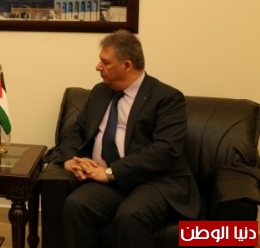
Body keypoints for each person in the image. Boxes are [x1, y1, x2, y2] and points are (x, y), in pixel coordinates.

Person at [47, 29, 200, 247]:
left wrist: (111, 172)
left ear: (127, 65)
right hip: (109, 182)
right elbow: (76, 131)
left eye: (105, 62)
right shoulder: (100, 92)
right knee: (76, 205)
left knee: (130, 216)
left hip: (153, 182)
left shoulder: (167, 98)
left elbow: (165, 150)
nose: (97, 67)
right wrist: (69, 159)